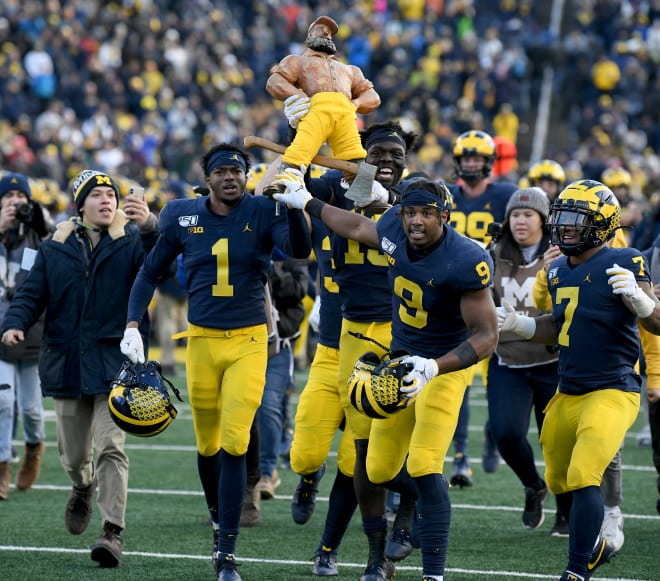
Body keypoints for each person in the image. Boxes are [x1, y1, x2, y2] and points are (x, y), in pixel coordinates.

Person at [272, 175, 499, 581]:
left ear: (444, 216)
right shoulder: (394, 225)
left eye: (427, 214)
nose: (416, 221)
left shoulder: (466, 259)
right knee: (376, 470)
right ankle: (429, 502)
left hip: (445, 368)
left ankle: (434, 573)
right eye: (410, 212)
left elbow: (487, 337)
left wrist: (434, 367)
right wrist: (307, 202)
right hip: (400, 360)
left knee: (426, 464)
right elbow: (358, 226)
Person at [119, 143, 311, 581]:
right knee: (206, 445)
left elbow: (298, 249)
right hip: (202, 342)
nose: (231, 177)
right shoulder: (181, 214)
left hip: (248, 341)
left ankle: (225, 551)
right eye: (222, 171)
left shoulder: (263, 210)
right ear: (207, 178)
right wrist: (133, 324)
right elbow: (150, 271)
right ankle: (218, 513)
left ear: (246, 176)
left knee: (235, 440)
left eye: (237, 171)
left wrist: (298, 207)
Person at [263, 120, 417, 579]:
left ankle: (332, 548)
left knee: (358, 462)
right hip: (334, 340)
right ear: (354, 152)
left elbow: (410, 216)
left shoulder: (418, 198)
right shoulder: (331, 183)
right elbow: (275, 182)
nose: (387, 160)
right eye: (377, 152)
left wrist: (384, 197)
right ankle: (310, 480)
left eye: (396, 153)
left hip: (389, 341)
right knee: (305, 455)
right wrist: (301, 133)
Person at [497, 179, 660, 581]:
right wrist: (521, 324)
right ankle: (601, 542)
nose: (565, 228)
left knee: (585, 475)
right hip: (566, 390)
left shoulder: (626, 259)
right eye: (562, 220)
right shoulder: (555, 270)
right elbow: (559, 323)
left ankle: (577, 569)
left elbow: (657, 322)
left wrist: (643, 302)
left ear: (603, 224)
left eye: (575, 221)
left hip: (612, 389)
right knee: (559, 479)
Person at [0, 169, 158, 567]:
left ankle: (112, 532)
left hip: (114, 363)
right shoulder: (56, 246)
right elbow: (32, 292)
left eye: (112, 194)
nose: (108, 200)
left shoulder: (133, 240)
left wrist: (153, 227)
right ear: (80, 205)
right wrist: (14, 322)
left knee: (111, 447)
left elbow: (163, 266)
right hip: (68, 362)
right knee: (72, 458)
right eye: (98, 194)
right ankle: (82, 486)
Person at [486, 187, 561, 530]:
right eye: (515, 214)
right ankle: (534, 485)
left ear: (543, 221)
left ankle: (568, 506)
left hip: (552, 362)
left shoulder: (561, 253)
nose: (520, 220)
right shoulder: (495, 252)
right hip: (508, 359)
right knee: (506, 434)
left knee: (558, 442)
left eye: (528, 214)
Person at [446, 129, 518, 486]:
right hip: (452, 297)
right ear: (458, 161)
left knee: (496, 382)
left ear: (489, 162)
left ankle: (492, 434)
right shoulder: (445, 196)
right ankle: (461, 455)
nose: (472, 163)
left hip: (497, 296)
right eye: (467, 157)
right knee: (458, 378)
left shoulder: (507, 195)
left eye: (478, 158)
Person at [265, 15, 380, 174]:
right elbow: (274, 81)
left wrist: (356, 104)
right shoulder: (297, 61)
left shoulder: (350, 70)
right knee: (299, 152)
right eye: (320, 30)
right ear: (309, 36)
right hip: (315, 112)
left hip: (345, 117)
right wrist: (297, 95)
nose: (326, 33)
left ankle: (365, 196)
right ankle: (283, 185)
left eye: (328, 32)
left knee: (358, 160)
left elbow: (373, 97)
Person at [0, 172, 51, 500]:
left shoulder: (38, 233)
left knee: (32, 409)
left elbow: (55, 240)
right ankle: (2, 463)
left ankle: (34, 449)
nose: (15, 204)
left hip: (32, 334)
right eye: (8, 199)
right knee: (3, 402)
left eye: (21, 199)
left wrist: (37, 220)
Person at [255, 254, 309, 499]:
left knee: (269, 406)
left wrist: (271, 269)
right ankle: (251, 475)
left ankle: (267, 472)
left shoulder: (291, 250)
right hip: (241, 343)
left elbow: (299, 290)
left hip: (278, 348)